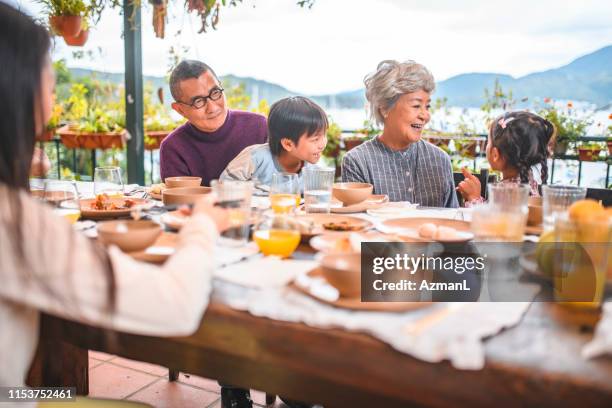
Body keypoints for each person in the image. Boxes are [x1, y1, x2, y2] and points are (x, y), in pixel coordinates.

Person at [0, 4, 230, 404]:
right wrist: (204, 224)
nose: (54, 92)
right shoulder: (17, 225)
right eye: (49, 78)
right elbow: (175, 306)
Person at [341, 60, 458, 208]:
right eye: (416, 105)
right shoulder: (358, 162)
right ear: (384, 108)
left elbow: (451, 220)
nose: (425, 115)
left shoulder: (440, 160)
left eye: (427, 106)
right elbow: (357, 224)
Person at [160, 60, 268, 186]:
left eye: (215, 93)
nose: (212, 108)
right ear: (180, 110)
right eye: (198, 101)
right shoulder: (173, 148)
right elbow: (180, 202)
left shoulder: (259, 126)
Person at [220, 96, 328, 187]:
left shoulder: (313, 170)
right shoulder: (256, 157)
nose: (323, 144)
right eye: (315, 139)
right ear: (288, 144)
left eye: (324, 135)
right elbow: (224, 185)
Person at [456, 111, 555, 205]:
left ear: (495, 154)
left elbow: (493, 221)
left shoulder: (508, 191)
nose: (487, 145)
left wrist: (473, 198)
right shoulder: (528, 182)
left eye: (489, 142)